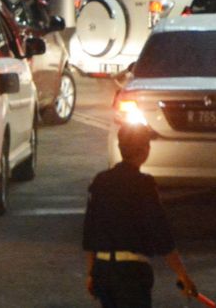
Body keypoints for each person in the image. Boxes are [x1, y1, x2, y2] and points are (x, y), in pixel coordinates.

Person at [83, 126, 199, 307]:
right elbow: (161, 233)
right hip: (132, 272)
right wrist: (182, 275)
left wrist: (91, 273)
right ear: (145, 150)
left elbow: (89, 230)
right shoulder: (144, 184)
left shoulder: (100, 181)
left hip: (103, 270)